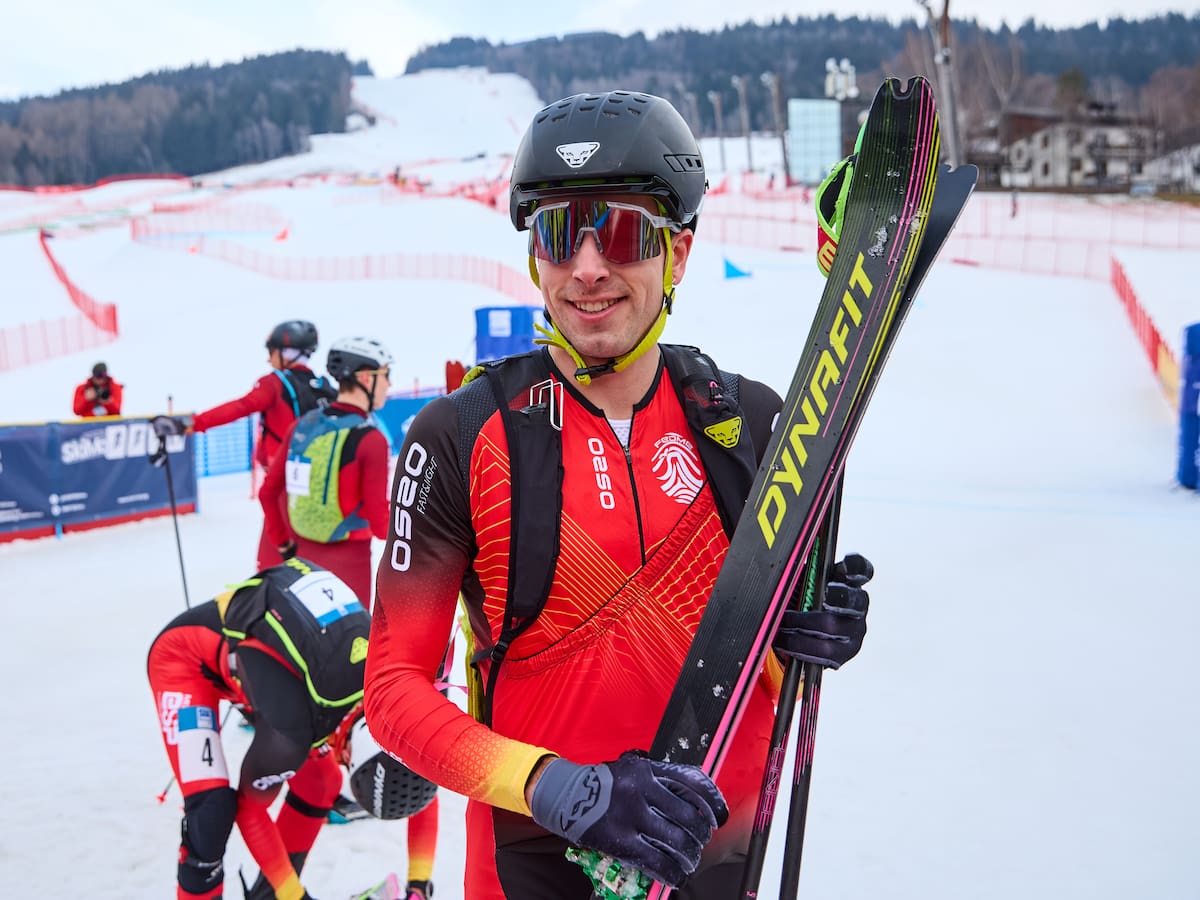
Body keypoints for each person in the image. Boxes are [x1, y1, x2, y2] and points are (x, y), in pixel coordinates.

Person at [363, 90, 873, 900]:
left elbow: (761, 667)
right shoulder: (460, 436)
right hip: (531, 870)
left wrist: (807, 633)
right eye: (558, 233)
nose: (588, 267)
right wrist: (558, 788)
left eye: (625, 233)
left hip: (716, 862)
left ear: (679, 252)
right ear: (534, 257)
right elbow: (393, 694)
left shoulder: (748, 423)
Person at [147, 558, 370, 900]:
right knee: (210, 812)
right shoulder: (301, 727)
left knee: (320, 781)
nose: (343, 760)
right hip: (185, 663)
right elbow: (250, 808)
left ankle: (272, 896)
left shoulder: (378, 701)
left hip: (257, 673)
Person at [176, 320, 336, 570]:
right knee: (311, 558)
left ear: (285, 353)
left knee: (273, 564)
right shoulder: (321, 387)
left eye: (271, 352)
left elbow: (241, 407)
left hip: (284, 485)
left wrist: (193, 423)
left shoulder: (274, 383)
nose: (269, 359)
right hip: (319, 485)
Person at [258, 336, 394, 606]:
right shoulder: (372, 440)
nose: (389, 384)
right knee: (348, 633)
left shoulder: (302, 425)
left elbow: (268, 492)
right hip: (350, 568)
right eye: (386, 375)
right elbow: (381, 525)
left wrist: (283, 543)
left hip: (301, 562)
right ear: (366, 378)